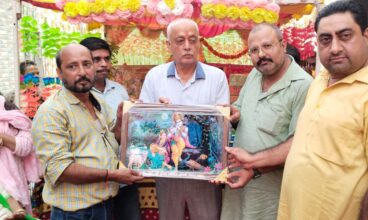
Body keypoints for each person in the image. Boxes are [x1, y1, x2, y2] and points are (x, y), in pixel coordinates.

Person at [278, 1, 368, 219]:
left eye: (345, 36)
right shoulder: (321, 80)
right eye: (325, 39)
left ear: (367, 37)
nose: (335, 47)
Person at [32, 43, 143, 220]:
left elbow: (113, 139)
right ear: (60, 73)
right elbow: (61, 170)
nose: (82, 72)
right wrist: (112, 175)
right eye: (72, 66)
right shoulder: (52, 112)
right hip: (75, 213)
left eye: (87, 64)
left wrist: (122, 118)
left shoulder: (96, 99)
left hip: (104, 205)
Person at [220, 23, 312, 220]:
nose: (261, 54)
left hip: (269, 190)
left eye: (267, 46)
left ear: (283, 45)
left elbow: (299, 145)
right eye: (254, 50)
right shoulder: (255, 73)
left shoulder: (303, 86)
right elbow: (242, 108)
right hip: (237, 182)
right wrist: (235, 113)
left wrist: (254, 169)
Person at [139, 18, 229, 220]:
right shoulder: (155, 76)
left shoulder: (216, 77)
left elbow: (221, 127)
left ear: (200, 42)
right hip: (168, 170)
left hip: (204, 173)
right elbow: (145, 126)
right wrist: (158, 114)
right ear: (168, 45)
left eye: (192, 40)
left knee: (207, 216)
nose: (187, 46)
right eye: (180, 41)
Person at [80, 37, 140, 220]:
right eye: (97, 59)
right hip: (94, 180)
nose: (103, 64)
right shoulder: (79, 93)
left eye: (106, 59)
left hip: (123, 176)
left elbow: (125, 132)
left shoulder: (119, 90)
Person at [0, 93, 42, 215]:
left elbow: (27, 145)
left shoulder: (9, 110)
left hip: (14, 182)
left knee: (17, 214)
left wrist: (3, 138)